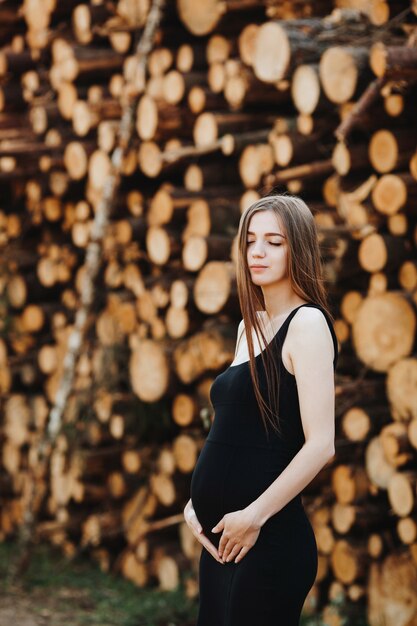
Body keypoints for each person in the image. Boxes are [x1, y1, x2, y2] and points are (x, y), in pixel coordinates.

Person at [183, 193, 339, 626]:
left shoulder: (307, 325)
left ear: (298, 249)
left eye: (274, 241)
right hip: (223, 543)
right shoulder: (247, 327)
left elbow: (321, 445)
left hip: (265, 543)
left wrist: (253, 517)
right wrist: (196, 504)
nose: (257, 252)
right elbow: (234, 430)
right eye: (250, 240)